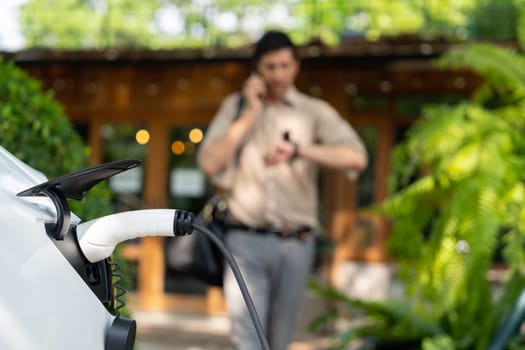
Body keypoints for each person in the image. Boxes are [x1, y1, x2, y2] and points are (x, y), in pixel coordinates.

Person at [197, 30, 368, 350]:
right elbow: (209, 163)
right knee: (247, 340)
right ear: (257, 70)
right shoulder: (236, 107)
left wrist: (300, 150)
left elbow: (356, 158)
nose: (278, 74)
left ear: (296, 66)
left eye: (284, 66)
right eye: (270, 67)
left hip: (295, 244)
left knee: (280, 340)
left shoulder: (313, 111)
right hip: (243, 240)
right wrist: (250, 113)